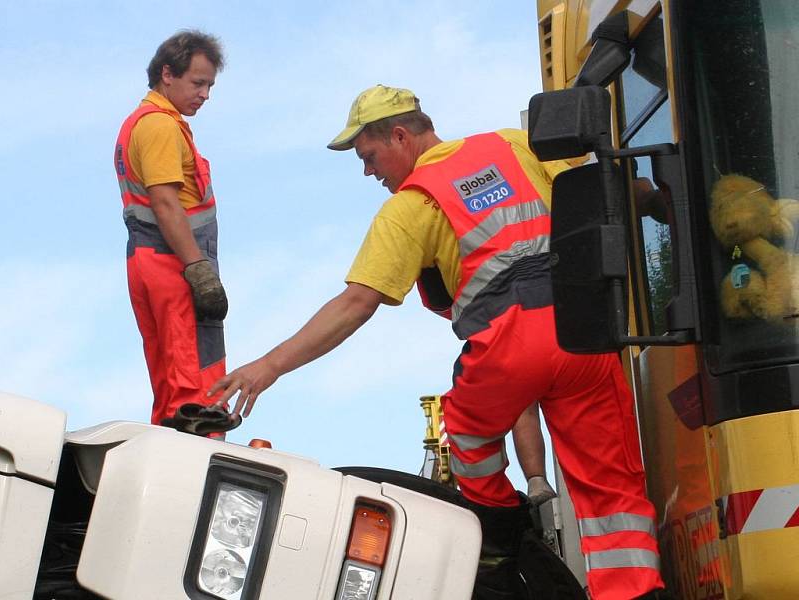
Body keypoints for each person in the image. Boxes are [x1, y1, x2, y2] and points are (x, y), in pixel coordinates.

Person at [210, 85, 668, 600]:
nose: (368, 172)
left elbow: (355, 305)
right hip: (584, 335)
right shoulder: (512, 145)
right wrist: (656, 199)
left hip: (509, 345)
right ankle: (637, 591)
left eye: (369, 156)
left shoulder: (413, 204)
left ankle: (498, 539)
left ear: (399, 135)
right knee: (611, 486)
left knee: (469, 432)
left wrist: (268, 366)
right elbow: (597, 188)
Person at [114, 31, 228, 427]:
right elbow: (166, 203)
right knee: (194, 392)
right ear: (167, 74)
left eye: (210, 85)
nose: (205, 94)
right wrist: (198, 268)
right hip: (173, 263)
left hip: (151, 261)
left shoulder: (140, 124)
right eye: (198, 83)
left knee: (170, 387)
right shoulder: (160, 126)